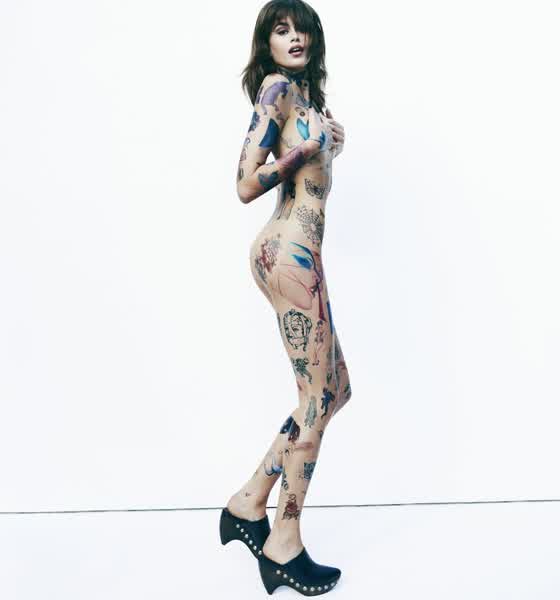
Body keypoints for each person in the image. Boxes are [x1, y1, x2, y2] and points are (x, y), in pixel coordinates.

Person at [219, 1, 351, 595]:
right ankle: (283, 541)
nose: (294, 37)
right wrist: (302, 150)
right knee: (316, 400)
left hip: (299, 254)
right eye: (281, 29)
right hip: (288, 252)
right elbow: (245, 184)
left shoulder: (304, 97)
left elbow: (310, 168)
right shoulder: (275, 89)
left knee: (335, 389)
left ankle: (249, 501)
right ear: (266, 43)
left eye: (301, 29)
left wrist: (329, 144)